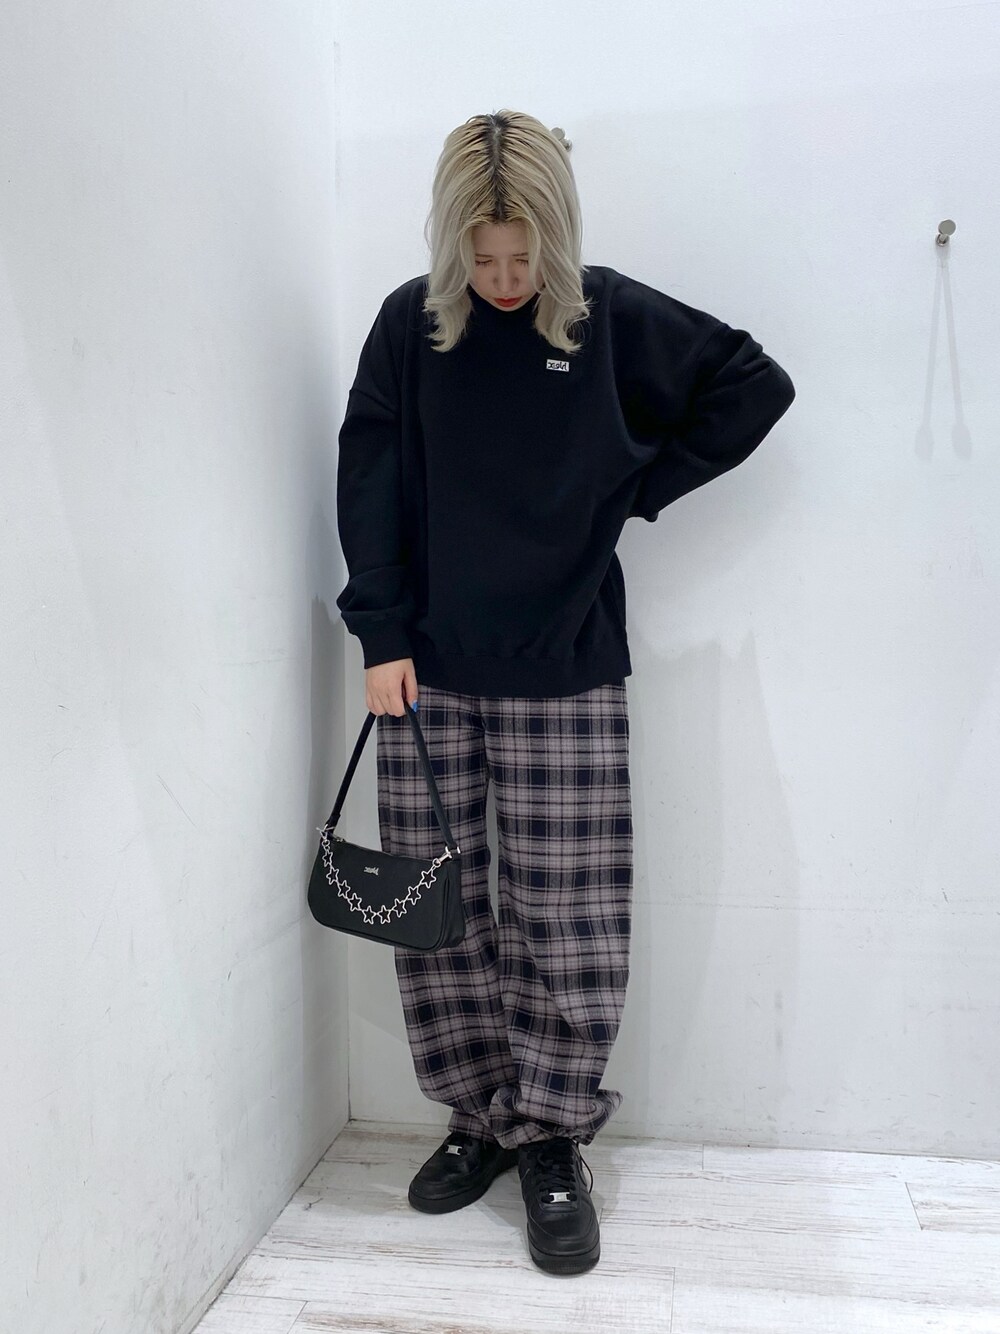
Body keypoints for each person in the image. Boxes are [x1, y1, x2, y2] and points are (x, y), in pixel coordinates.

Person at [335, 109, 795, 1276]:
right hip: (424, 669)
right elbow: (369, 470)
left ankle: (549, 1134)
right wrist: (379, 630)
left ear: (558, 236)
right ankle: (476, 1115)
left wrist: (634, 489)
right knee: (438, 911)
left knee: (566, 914)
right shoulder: (409, 325)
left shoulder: (606, 317)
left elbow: (753, 385)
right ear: (452, 243)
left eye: (523, 256)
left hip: (565, 663)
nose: (503, 278)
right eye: (481, 256)